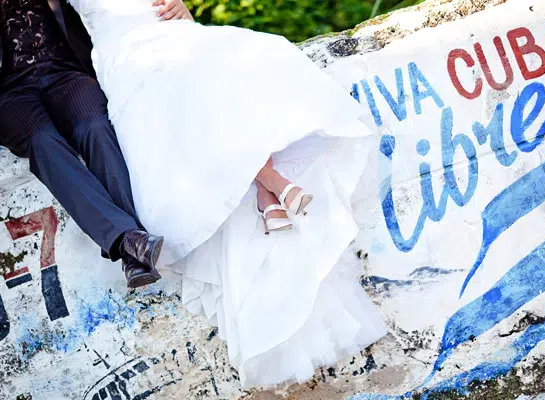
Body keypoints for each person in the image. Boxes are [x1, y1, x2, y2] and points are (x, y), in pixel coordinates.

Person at [72, 0, 389, 388]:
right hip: (125, 60)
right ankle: (270, 182)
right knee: (185, 95)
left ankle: (268, 188)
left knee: (243, 65)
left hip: (172, 34)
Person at [0, 0, 190, 288]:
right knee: (42, 141)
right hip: (10, 92)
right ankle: (129, 242)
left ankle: (130, 247)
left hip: (65, 70)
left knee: (96, 126)